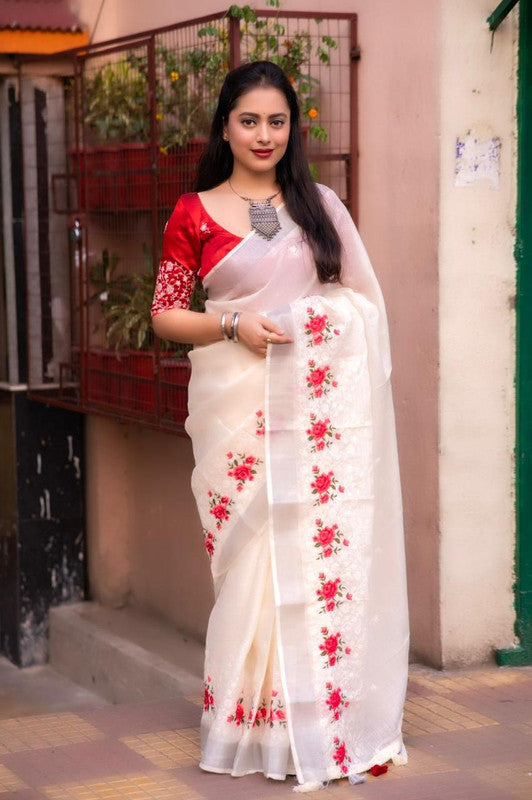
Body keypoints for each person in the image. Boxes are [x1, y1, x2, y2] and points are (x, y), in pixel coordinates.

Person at [151, 60, 409, 793]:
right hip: (235, 413)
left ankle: (326, 724)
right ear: (224, 127)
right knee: (254, 565)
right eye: (248, 120)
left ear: (292, 129)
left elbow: (365, 305)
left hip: (318, 420)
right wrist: (234, 324)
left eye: (277, 121)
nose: (264, 135)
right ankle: (252, 726)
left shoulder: (319, 205)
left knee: (314, 560)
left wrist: (308, 326)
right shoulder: (193, 212)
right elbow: (166, 315)